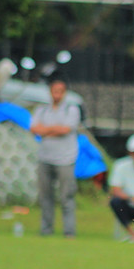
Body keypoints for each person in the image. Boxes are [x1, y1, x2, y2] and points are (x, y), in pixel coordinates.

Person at [30, 77, 81, 237]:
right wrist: (52, 130)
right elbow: (34, 129)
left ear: (65, 93)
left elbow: (65, 129)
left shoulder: (71, 110)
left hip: (65, 159)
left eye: (60, 92)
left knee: (66, 196)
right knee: (46, 196)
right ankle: (46, 230)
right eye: (54, 91)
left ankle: (69, 232)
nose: (57, 95)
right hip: (45, 157)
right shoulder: (41, 110)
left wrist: (46, 130)